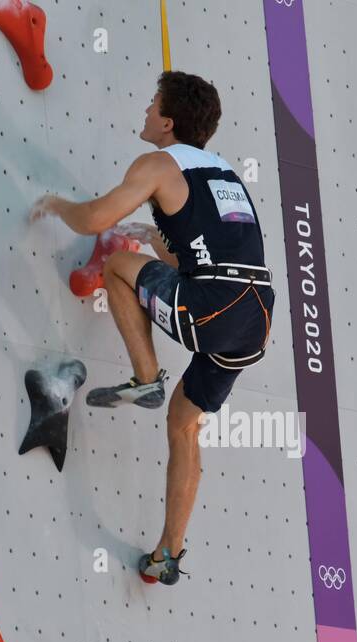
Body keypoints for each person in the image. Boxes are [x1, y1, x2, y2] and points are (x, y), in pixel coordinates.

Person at [31, 72, 273, 585]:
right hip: (255, 319)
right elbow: (203, 254)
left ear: (167, 122)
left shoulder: (158, 164)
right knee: (184, 424)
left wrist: (57, 206)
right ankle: (168, 553)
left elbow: (96, 218)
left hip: (212, 307)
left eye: (151, 105)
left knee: (120, 267)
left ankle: (146, 377)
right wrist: (154, 236)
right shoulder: (225, 175)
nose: (144, 112)